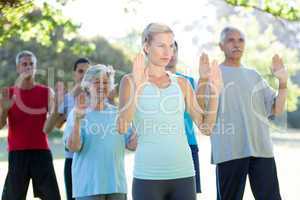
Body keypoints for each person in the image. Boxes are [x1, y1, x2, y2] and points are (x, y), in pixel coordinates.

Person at [117, 23, 222, 200]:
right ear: (146, 46)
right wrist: (139, 85)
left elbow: (206, 128)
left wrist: (215, 93)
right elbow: (121, 127)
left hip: (184, 174)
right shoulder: (129, 81)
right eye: (161, 45)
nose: (168, 52)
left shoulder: (182, 84)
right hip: (148, 176)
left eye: (171, 45)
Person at [199, 27, 287, 200]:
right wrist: (203, 80)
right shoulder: (213, 75)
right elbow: (201, 110)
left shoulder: (254, 75)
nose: (236, 44)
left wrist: (282, 83)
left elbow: (277, 109)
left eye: (241, 40)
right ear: (221, 45)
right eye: (231, 40)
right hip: (229, 152)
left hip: (261, 151)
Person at [64, 64, 136, 200]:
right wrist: (78, 121)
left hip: (117, 186)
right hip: (88, 188)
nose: (102, 86)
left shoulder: (118, 113)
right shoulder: (77, 112)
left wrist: (137, 120)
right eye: (97, 82)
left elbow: (132, 145)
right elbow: (73, 147)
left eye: (105, 82)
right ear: (87, 86)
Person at [0, 50, 61, 200]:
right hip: (17, 154)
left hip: (41, 152)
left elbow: (53, 124)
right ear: (18, 68)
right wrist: (5, 110)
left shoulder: (47, 92)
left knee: (52, 196)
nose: (28, 67)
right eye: (24, 64)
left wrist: (56, 109)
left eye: (31, 64)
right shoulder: (8, 93)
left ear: (35, 67)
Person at [44, 58, 90, 200]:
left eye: (87, 71)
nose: (83, 75)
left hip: (93, 159)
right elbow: (52, 126)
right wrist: (58, 104)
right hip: (72, 160)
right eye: (80, 71)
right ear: (74, 74)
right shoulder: (67, 99)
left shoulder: (100, 97)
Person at [166, 41, 202, 193]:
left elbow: (200, 115)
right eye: (167, 50)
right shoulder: (149, 83)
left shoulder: (188, 81)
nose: (171, 55)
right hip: (163, 147)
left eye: (174, 50)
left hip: (188, 144)